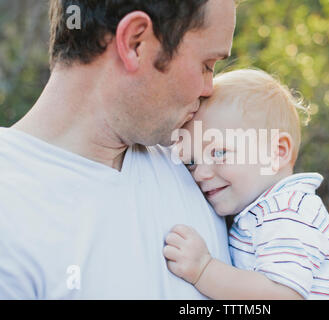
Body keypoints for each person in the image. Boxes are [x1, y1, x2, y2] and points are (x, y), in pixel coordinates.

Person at [0, 0, 236, 299]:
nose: (208, 88)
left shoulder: (204, 170)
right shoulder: (8, 215)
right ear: (136, 42)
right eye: (207, 65)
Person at [163, 69, 329, 299]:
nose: (200, 173)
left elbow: (282, 295)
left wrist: (204, 270)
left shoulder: (288, 212)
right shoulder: (262, 212)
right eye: (192, 161)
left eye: (219, 152)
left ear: (277, 153)